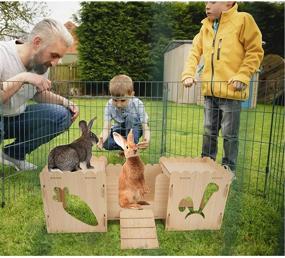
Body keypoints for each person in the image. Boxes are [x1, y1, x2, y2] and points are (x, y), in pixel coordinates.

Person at [181, 2, 264, 171]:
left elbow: (255, 51)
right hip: (210, 94)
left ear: (228, 2)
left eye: (212, 1)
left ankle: (228, 168)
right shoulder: (205, 27)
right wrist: (188, 74)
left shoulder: (243, 20)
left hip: (232, 93)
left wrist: (242, 75)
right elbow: (194, 53)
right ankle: (206, 165)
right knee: (208, 131)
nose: (207, 6)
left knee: (229, 135)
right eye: (206, 2)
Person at [0, 18, 79, 171]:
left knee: (62, 114)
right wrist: (23, 78)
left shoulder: (41, 65)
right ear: (37, 42)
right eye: (54, 55)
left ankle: (13, 154)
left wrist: (66, 102)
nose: (56, 63)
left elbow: (38, 94)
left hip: (15, 119)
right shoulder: (3, 55)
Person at [97, 74, 150, 152]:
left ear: (131, 95)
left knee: (130, 117)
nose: (118, 104)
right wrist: (101, 140)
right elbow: (106, 128)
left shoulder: (138, 104)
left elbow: (145, 126)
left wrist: (146, 140)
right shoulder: (109, 105)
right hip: (119, 128)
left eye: (122, 100)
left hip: (135, 129)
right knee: (106, 143)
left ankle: (130, 145)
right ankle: (125, 147)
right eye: (115, 100)